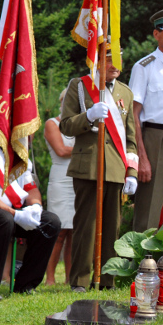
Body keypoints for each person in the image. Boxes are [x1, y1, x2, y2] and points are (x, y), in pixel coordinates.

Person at [60, 45, 138, 291]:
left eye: (118, 60)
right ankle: (80, 281)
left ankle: (107, 279)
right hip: (89, 165)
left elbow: (131, 139)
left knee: (112, 227)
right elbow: (66, 126)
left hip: (116, 168)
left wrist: (132, 172)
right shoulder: (79, 86)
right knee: (86, 225)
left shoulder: (125, 92)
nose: (115, 65)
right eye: (109, 59)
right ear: (97, 61)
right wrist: (89, 116)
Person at [0, 134, 61, 299]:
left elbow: (30, 187)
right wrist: (12, 212)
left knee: (50, 222)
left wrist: (35, 207)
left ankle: (25, 285)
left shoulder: (18, 151)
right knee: (4, 220)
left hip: (15, 209)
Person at [130, 7, 163, 231]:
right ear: (156, 34)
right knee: (149, 209)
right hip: (156, 137)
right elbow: (133, 114)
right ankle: (142, 253)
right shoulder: (144, 67)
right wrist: (142, 157)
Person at [44, 89, 76, 285]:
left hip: (78, 180)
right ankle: (49, 278)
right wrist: (87, 149)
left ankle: (70, 278)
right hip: (60, 180)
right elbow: (61, 150)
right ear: (61, 102)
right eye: (67, 101)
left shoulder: (79, 125)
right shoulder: (52, 124)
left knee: (74, 231)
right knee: (59, 231)